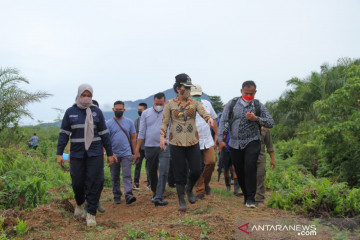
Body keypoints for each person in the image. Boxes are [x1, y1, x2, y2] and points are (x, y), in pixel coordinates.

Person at [56, 84, 116, 227]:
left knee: (94, 182)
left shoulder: (97, 112)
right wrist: (59, 153)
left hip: (95, 153)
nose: (86, 98)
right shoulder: (70, 112)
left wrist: (109, 153)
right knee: (77, 182)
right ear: (78, 95)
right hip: (77, 153)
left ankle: (91, 213)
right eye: (84, 95)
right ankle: (79, 202)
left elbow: (104, 134)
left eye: (89, 95)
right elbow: (64, 134)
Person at [160, 73, 215, 212]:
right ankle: (181, 201)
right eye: (187, 87)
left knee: (196, 169)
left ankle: (189, 188)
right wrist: (162, 137)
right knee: (180, 172)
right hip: (176, 142)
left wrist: (208, 118)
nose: (189, 90)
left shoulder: (195, 103)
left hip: (192, 141)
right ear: (179, 88)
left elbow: (203, 112)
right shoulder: (170, 104)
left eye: (190, 87)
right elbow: (165, 122)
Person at [218, 80, 274, 208]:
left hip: (252, 141)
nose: (249, 96)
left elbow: (271, 122)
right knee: (239, 169)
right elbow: (224, 121)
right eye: (246, 93)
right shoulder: (232, 104)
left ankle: (251, 198)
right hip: (234, 142)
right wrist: (221, 139)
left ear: (255, 92)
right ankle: (246, 193)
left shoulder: (258, 105)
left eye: (251, 94)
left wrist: (256, 119)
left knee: (250, 167)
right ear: (241, 91)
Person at [134, 93, 170, 206]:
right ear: (153, 102)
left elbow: (173, 128)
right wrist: (137, 149)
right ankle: (155, 192)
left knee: (164, 170)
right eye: (156, 103)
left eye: (161, 103)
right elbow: (141, 132)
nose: (159, 105)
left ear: (164, 102)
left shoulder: (169, 112)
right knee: (151, 171)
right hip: (149, 146)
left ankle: (159, 196)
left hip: (165, 146)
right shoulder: (146, 113)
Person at [190, 84, 218, 200]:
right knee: (196, 167)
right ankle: (200, 190)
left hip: (207, 139)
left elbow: (214, 120)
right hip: (193, 141)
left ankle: (205, 184)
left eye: (198, 95)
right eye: (194, 95)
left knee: (211, 162)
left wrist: (217, 134)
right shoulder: (186, 106)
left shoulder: (207, 104)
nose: (196, 97)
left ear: (201, 94)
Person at [106, 101, 137, 205]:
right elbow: (106, 140)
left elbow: (133, 138)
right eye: (116, 109)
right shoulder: (108, 123)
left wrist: (135, 152)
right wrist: (109, 153)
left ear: (124, 110)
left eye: (120, 109)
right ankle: (116, 195)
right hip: (114, 154)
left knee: (127, 175)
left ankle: (128, 194)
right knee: (114, 176)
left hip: (126, 153)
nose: (118, 111)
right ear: (113, 110)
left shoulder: (129, 122)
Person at [256, 126, 275, 206]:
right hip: (249, 156)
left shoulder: (265, 129)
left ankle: (259, 199)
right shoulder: (247, 125)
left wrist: (272, 159)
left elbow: (269, 145)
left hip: (261, 156)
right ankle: (249, 197)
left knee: (260, 175)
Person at [133, 102, 150, 189]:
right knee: (138, 165)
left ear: (145, 110)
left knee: (149, 166)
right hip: (140, 147)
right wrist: (136, 148)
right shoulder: (137, 120)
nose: (139, 111)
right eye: (138, 110)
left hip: (148, 146)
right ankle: (136, 183)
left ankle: (150, 183)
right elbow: (135, 134)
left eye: (141, 110)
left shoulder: (150, 119)